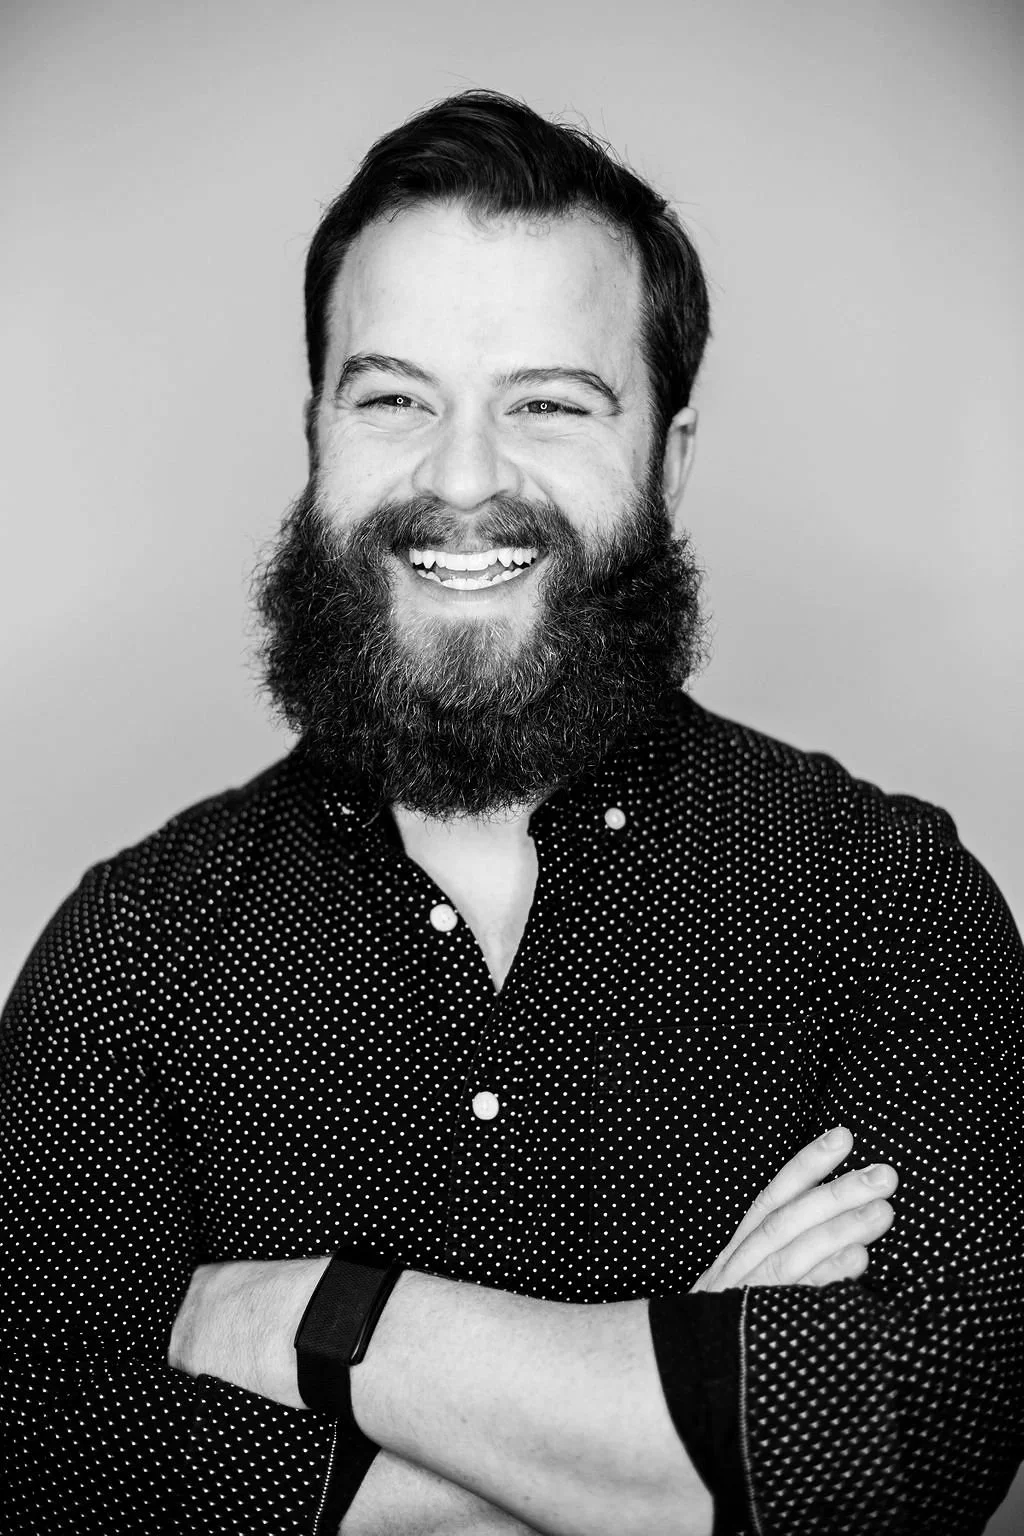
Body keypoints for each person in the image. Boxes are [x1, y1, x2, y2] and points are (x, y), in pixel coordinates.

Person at [2, 89, 1021, 1536]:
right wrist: (673, 1421)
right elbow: (46, 1468)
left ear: (668, 462)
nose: (462, 480)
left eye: (548, 403)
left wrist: (310, 1321)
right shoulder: (129, 952)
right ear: (314, 435)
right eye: (393, 397)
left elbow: (914, 1440)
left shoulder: (884, 897)